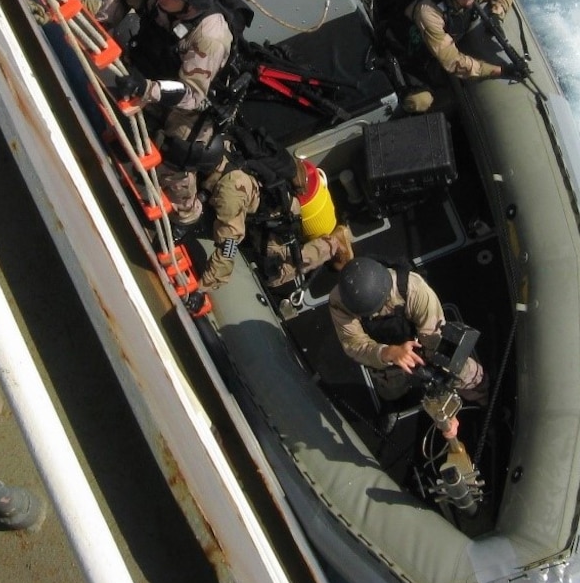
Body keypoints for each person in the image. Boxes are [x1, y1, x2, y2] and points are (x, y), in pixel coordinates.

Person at [158, 128, 354, 293]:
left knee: (274, 275)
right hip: (253, 187)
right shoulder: (219, 140)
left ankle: (333, 245)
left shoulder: (230, 193)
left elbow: (228, 248)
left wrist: (201, 289)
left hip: (273, 215)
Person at [329, 256, 486, 437]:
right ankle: (392, 401)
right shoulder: (340, 301)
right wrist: (388, 352)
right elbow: (354, 344)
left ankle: (481, 391)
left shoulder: (414, 289)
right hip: (385, 352)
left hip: (424, 339)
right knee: (390, 384)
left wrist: (442, 392)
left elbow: (434, 338)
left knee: (460, 367)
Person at [95, 0, 236, 139]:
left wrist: (146, 89)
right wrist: (103, 25)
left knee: (184, 143)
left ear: (191, 6)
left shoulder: (210, 37)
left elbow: (192, 94)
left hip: (183, 89)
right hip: (147, 58)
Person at [401, 0, 518, 113]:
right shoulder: (429, 13)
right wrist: (500, 70)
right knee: (419, 101)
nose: (471, 2)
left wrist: (497, 15)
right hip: (414, 55)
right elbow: (454, 62)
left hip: (437, 49)